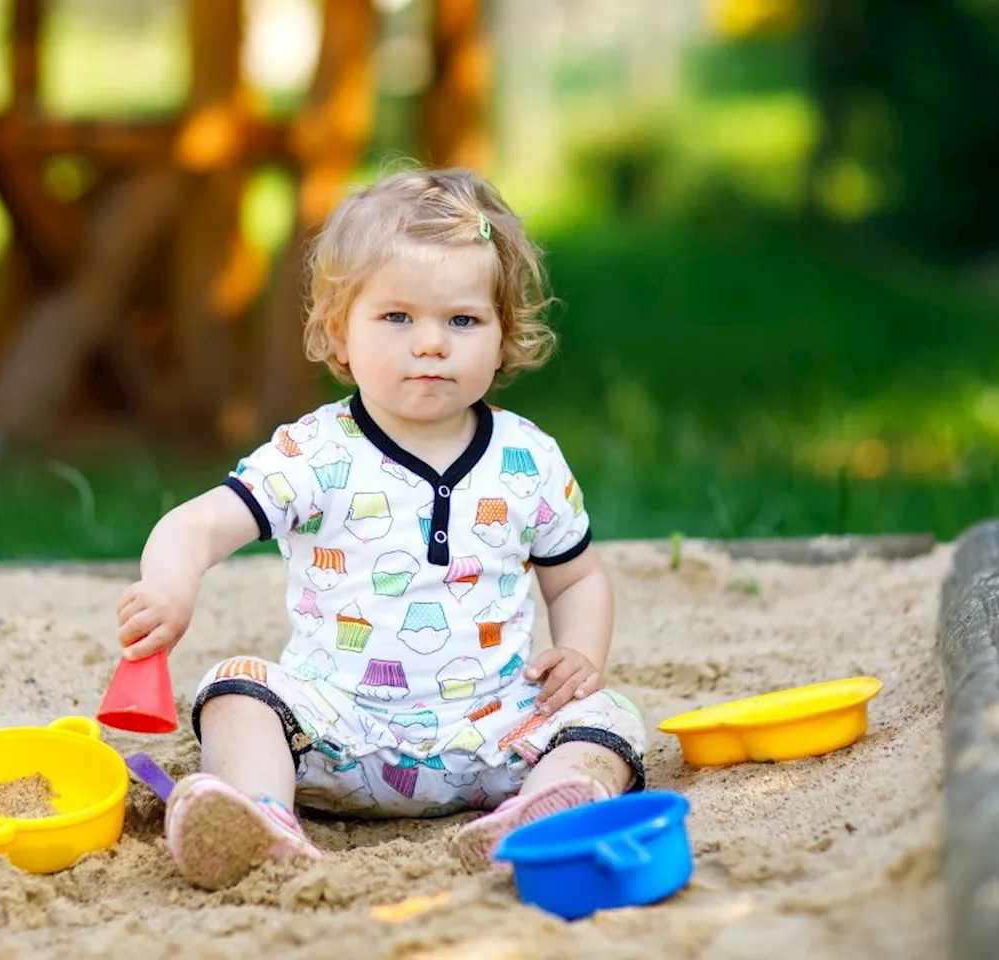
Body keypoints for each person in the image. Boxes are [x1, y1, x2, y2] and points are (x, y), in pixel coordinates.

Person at [115, 167, 648, 891]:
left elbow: (577, 574)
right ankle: (260, 817)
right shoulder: (315, 453)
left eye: (462, 321)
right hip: (340, 735)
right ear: (341, 333)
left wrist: (581, 652)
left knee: (610, 716)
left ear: (502, 338)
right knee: (235, 688)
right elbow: (201, 523)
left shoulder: (527, 459)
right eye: (397, 318)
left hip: (495, 733)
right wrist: (170, 588)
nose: (430, 344)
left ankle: (544, 814)